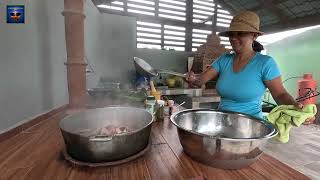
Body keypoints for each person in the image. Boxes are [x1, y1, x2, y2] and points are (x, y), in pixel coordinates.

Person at [187, 11, 302, 119]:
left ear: (254, 36)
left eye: (240, 34)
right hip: (222, 123)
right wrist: (192, 78)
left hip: (250, 127)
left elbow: (280, 94)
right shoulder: (223, 60)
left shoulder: (265, 63)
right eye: (231, 34)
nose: (233, 38)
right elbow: (201, 79)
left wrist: (295, 107)